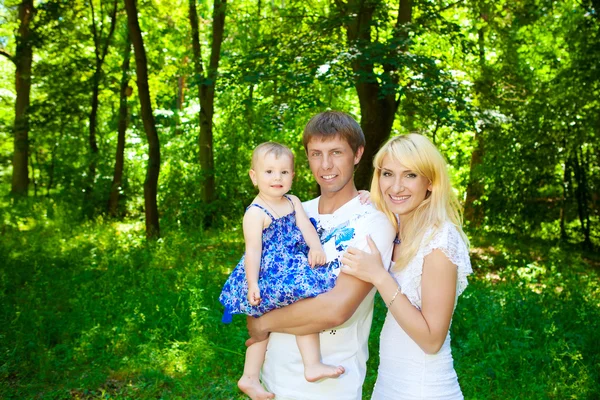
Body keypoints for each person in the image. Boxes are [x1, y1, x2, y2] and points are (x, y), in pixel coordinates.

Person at [246, 111, 396, 400]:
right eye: (316, 153)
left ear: (357, 154)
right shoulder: (293, 210)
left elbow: (335, 309)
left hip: (330, 387)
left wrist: (261, 322)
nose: (325, 165)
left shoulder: (374, 221)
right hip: (272, 378)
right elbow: (262, 278)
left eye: (336, 152)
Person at [340, 133, 473, 399]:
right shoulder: (397, 226)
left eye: (410, 175)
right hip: (390, 384)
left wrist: (380, 276)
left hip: (424, 388)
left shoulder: (440, 239)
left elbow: (432, 340)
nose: (396, 186)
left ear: (431, 182)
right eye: (388, 174)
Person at [219, 142, 346, 400]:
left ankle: (308, 365)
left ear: (293, 176)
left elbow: (307, 228)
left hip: (291, 268)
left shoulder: (293, 201)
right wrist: (252, 284)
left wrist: (315, 248)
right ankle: (251, 376)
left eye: (284, 172)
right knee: (271, 318)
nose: (277, 178)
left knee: (304, 305)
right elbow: (252, 251)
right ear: (254, 177)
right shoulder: (256, 212)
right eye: (269, 172)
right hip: (268, 274)